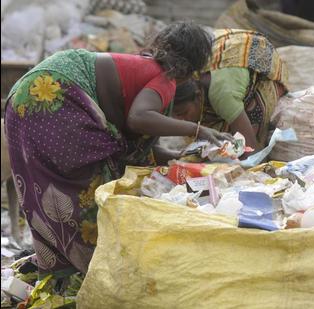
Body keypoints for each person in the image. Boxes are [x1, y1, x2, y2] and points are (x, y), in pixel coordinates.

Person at [3, 21, 231, 279]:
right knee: (95, 193)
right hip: (55, 94)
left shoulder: (140, 66)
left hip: (25, 95)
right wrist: (198, 130)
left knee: (44, 186)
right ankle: (99, 272)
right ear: (192, 69)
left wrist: (180, 158)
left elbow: (144, 145)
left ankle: (58, 270)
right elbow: (138, 118)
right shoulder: (164, 80)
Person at [173, 29, 288, 154]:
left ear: (198, 96)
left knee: (251, 118)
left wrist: (238, 159)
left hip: (255, 52)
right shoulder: (181, 76)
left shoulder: (223, 95)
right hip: (222, 53)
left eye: (183, 113)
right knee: (212, 138)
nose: (180, 120)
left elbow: (248, 149)